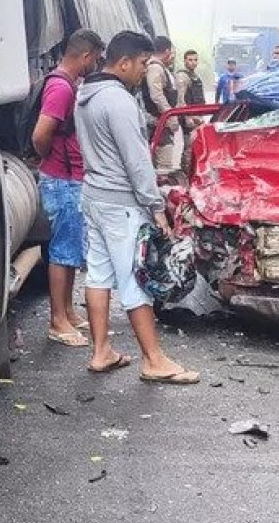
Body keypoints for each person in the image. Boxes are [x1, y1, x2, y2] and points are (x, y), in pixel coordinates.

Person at [74, 31, 200, 384]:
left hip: (94, 196)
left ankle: (101, 352)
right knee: (135, 278)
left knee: (98, 274)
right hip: (121, 203)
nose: (144, 72)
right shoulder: (119, 101)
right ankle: (154, 359)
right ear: (124, 62)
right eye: (143, 64)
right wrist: (156, 207)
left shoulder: (85, 95)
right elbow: (137, 161)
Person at [31, 29, 104, 347]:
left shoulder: (65, 83)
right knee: (62, 250)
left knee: (71, 247)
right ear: (86, 56)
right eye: (96, 59)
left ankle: (69, 312)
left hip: (69, 178)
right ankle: (57, 320)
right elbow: (40, 135)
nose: (96, 65)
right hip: (63, 181)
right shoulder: (61, 88)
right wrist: (54, 161)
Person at [143, 36, 183, 185]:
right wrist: (170, 117)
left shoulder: (160, 68)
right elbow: (157, 95)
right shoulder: (155, 68)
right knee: (163, 167)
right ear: (167, 51)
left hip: (161, 124)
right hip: (158, 124)